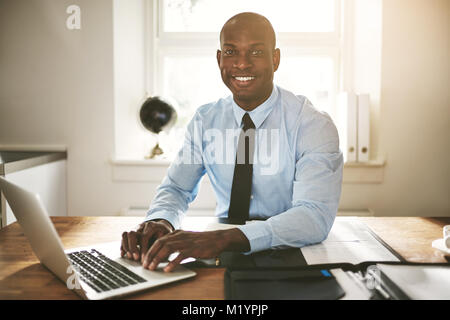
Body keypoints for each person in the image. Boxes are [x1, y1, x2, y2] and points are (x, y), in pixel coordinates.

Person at [121, 12, 343, 272]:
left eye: (256, 52)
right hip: (220, 254)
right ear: (219, 59)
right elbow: (176, 189)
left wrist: (224, 238)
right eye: (231, 52)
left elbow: (314, 216)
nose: (242, 64)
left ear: (276, 58)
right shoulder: (206, 120)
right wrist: (161, 221)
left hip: (292, 252)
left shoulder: (312, 124)